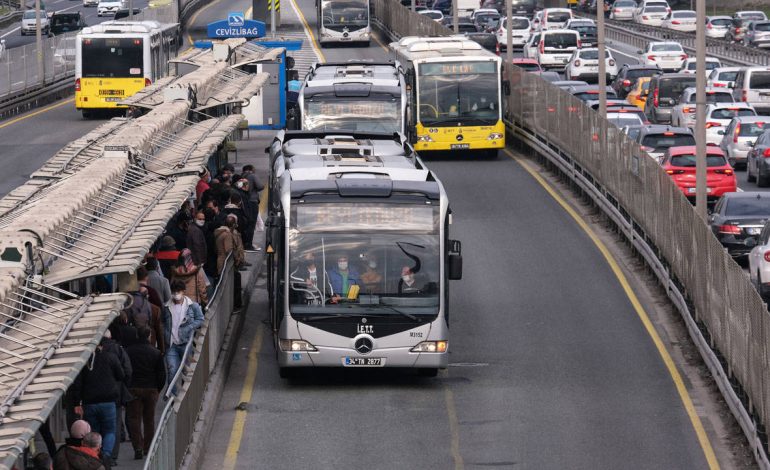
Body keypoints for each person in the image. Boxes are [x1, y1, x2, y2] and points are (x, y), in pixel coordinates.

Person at [70, 337, 124, 463]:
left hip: (90, 402)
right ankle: (106, 454)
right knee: (110, 430)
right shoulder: (110, 357)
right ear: (101, 345)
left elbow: (77, 383)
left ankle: (95, 456)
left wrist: (76, 402)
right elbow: (121, 375)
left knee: (93, 430)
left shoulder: (84, 361)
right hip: (108, 400)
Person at [125, 327, 166, 460]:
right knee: (149, 420)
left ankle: (138, 446)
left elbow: (125, 371)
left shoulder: (128, 351)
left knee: (134, 419)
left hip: (134, 388)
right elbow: (162, 375)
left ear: (137, 335)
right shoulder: (156, 353)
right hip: (151, 389)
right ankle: (148, 448)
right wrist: (158, 389)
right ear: (149, 336)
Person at [99, 330, 132, 466]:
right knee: (114, 426)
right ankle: (111, 456)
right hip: (115, 393)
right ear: (111, 337)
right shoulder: (118, 350)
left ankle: (97, 453)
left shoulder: (94, 350)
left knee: (97, 426)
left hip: (94, 395)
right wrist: (124, 387)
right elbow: (127, 371)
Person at [163, 280, 205, 385]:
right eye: (174, 292)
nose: (176, 294)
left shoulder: (192, 306)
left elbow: (200, 319)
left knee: (186, 371)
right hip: (172, 345)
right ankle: (171, 396)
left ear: (183, 292)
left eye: (178, 292)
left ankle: (182, 394)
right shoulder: (166, 307)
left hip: (186, 344)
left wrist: (189, 327)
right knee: (172, 370)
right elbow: (162, 322)